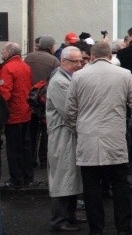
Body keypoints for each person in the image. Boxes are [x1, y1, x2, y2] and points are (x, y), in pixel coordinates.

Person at [66, 42, 132, 235]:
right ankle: (124, 228)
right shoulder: (124, 75)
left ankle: (96, 229)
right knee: (120, 183)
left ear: (91, 57)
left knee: (91, 186)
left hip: (88, 138)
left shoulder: (78, 76)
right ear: (110, 56)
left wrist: (78, 127)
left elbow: (70, 111)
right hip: (115, 136)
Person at [46, 46, 86, 232]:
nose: (79, 64)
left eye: (80, 61)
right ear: (63, 62)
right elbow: (70, 112)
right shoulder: (59, 82)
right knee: (62, 177)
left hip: (69, 136)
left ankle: (69, 215)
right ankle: (59, 220)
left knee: (70, 175)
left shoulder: (67, 78)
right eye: (75, 61)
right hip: (63, 136)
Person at [0, 42, 34, 189]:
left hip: (13, 113)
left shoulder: (7, 68)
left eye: (3, 50)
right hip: (25, 111)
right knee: (25, 146)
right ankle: (28, 176)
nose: (2, 53)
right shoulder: (24, 66)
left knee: (13, 149)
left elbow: (4, 93)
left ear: (8, 52)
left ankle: (16, 179)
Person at [24, 35, 60, 169]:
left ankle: (31, 159)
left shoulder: (29, 57)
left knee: (31, 131)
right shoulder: (54, 60)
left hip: (31, 98)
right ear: (50, 46)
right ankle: (44, 160)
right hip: (45, 99)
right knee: (46, 132)